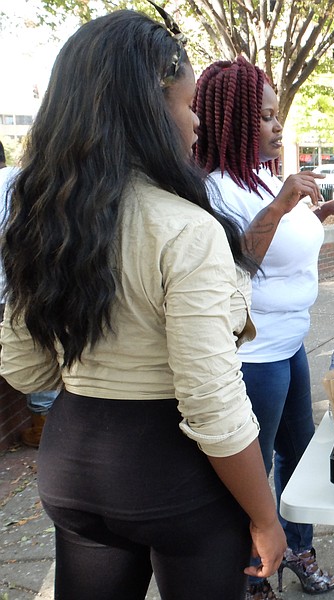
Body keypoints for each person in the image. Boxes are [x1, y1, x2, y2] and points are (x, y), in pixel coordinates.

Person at [0, 10, 287, 599]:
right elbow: (210, 399)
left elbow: (26, 367)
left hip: (72, 460)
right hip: (170, 471)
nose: (197, 124)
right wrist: (264, 516)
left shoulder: (43, 217)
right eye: (187, 105)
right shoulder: (185, 229)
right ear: (147, 109)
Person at [193, 56, 334, 600]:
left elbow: (284, 245)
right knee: (253, 471)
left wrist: (324, 208)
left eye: (278, 115)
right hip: (253, 356)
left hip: (291, 344)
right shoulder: (216, 189)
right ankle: (253, 569)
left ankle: (297, 548)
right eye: (265, 116)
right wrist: (283, 202)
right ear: (234, 120)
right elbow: (239, 260)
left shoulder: (262, 178)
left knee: (300, 457)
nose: (277, 125)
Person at [0, 145, 62, 448]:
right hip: (26, 283)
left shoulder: (21, 183)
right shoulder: (28, 180)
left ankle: (43, 427)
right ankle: (45, 424)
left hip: (11, 287)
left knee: (27, 355)